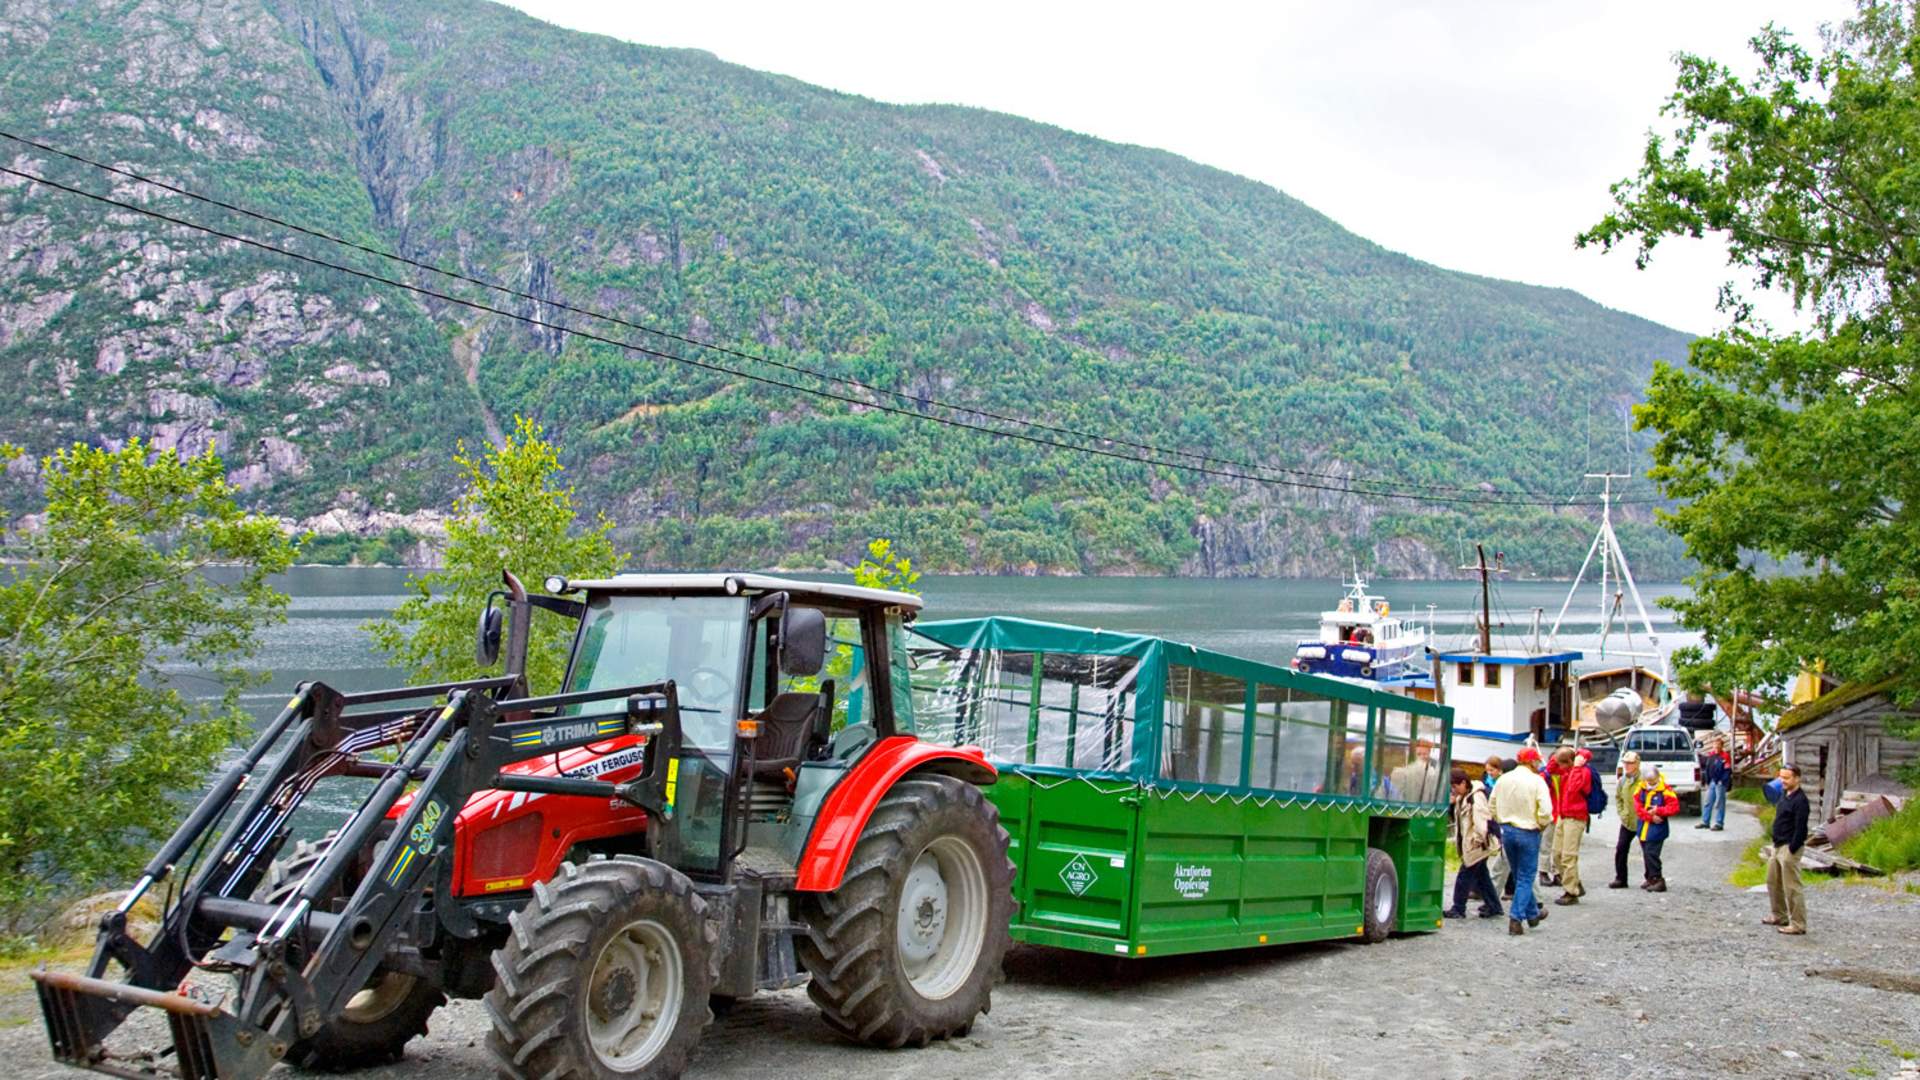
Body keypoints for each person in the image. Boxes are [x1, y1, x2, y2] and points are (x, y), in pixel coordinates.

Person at [1490, 747, 1555, 935]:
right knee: (1526, 877)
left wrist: (1500, 819)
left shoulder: (1503, 779)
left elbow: (1492, 804)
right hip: (1528, 831)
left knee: (1519, 875)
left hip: (1507, 830)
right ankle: (1516, 918)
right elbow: (1546, 811)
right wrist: (1541, 824)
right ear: (1532, 762)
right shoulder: (1537, 781)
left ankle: (1533, 914)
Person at [1444, 768, 1503, 919]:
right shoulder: (1464, 796)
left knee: (1464, 876)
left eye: (1455, 786)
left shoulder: (1476, 797)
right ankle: (1494, 906)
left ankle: (1458, 908)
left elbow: (1481, 821)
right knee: (1482, 876)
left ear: (1464, 783)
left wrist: (1477, 841)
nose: (1454, 790)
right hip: (1473, 843)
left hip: (1476, 844)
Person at [1765, 764, 1811, 935]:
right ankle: (1779, 915)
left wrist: (1792, 848)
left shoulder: (1801, 801)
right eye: (1781, 777)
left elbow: (1801, 829)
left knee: (1791, 887)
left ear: (1797, 779)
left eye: (1786, 778)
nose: (1782, 781)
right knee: (1773, 881)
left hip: (1789, 847)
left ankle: (1798, 924)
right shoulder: (1785, 795)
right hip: (1777, 845)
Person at [1544, 747, 1593, 904]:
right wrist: (1558, 755)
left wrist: (1577, 767)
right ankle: (1575, 883)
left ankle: (1571, 892)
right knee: (1557, 854)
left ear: (1570, 762)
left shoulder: (1583, 772)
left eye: (1563, 763)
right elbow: (1550, 770)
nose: (1560, 767)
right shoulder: (1565, 769)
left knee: (1568, 856)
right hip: (1563, 815)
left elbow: (1573, 788)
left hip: (1575, 817)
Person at [1633, 763, 1682, 891]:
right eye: (1649, 781)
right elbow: (1637, 807)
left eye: (1653, 781)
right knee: (1646, 853)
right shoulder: (1640, 788)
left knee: (1652, 854)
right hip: (1644, 827)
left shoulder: (1666, 790)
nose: (1651, 783)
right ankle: (1650, 878)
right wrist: (1649, 816)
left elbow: (1674, 807)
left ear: (1658, 777)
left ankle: (1658, 879)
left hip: (1657, 829)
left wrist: (1659, 810)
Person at [1608, 750, 1644, 888]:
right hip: (1627, 821)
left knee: (1648, 851)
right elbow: (1618, 798)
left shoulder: (1644, 780)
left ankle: (1652, 878)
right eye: (1625, 763)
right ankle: (1621, 878)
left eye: (1630, 763)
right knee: (1621, 849)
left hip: (1642, 820)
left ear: (1637, 764)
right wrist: (1622, 813)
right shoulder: (1623, 780)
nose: (1627, 766)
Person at [1391, 739, 1444, 803]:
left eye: (1425, 754)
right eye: (1419, 754)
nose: (1422, 757)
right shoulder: (1407, 771)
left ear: (1429, 753)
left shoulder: (1434, 770)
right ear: (1415, 754)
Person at [1697, 736, 1732, 831]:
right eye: (1715, 745)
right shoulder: (1711, 755)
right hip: (1712, 781)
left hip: (1720, 782)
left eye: (1718, 745)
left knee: (1719, 803)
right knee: (1708, 802)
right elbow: (1707, 768)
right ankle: (1705, 822)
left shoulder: (1725, 756)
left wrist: (1722, 781)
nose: (1716, 747)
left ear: (1721, 746)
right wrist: (1707, 781)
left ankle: (1719, 823)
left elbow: (1727, 771)